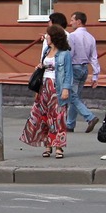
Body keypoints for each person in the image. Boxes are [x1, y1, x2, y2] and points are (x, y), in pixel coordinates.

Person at [21, 25, 73, 158]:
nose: (46, 37)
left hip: (57, 87)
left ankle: (59, 147)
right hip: (44, 86)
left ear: (54, 37)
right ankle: (48, 146)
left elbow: (68, 73)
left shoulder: (65, 53)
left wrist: (66, 89)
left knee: (58, 117)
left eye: (48, 35)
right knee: (44, 117)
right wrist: (40, 66)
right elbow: (43, 67)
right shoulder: (46, 50)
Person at [65, 11, 100, 133]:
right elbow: (94, 57)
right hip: (85, 69)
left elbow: (70, 53)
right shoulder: (91, 37)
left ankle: (90, 117)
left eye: (72, 20)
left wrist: (65, 69)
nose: (70, 23)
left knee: (72, 96)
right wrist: (95, 76)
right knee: (76, 96)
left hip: (74, 67)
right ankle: (70, 124)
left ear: (78, 21)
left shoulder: (72, 36)